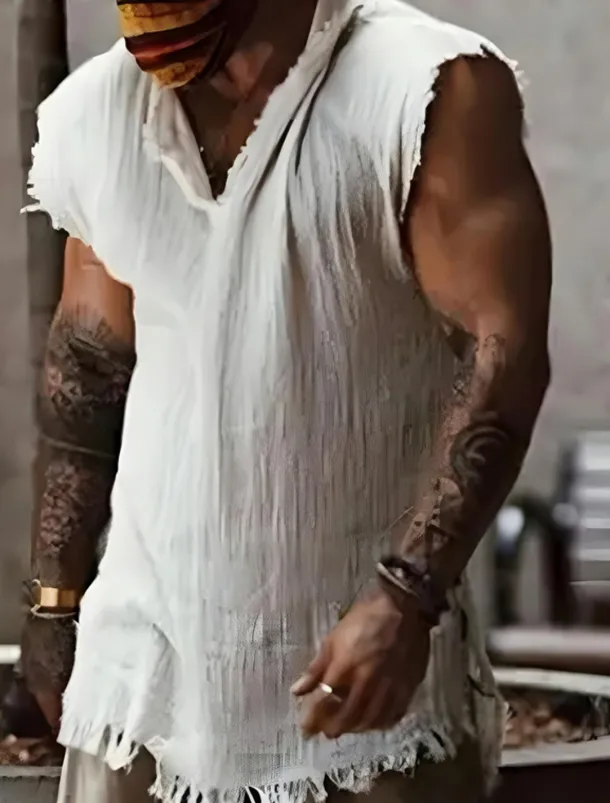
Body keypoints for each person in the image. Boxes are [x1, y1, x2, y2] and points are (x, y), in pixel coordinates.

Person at [20, 0, 552, 801]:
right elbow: (90, 364)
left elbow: (503, 351)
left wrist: (407, 595)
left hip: (356, 696)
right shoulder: (100, 111)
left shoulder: (421, 90)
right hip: (142, 685)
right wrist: (53, 601)